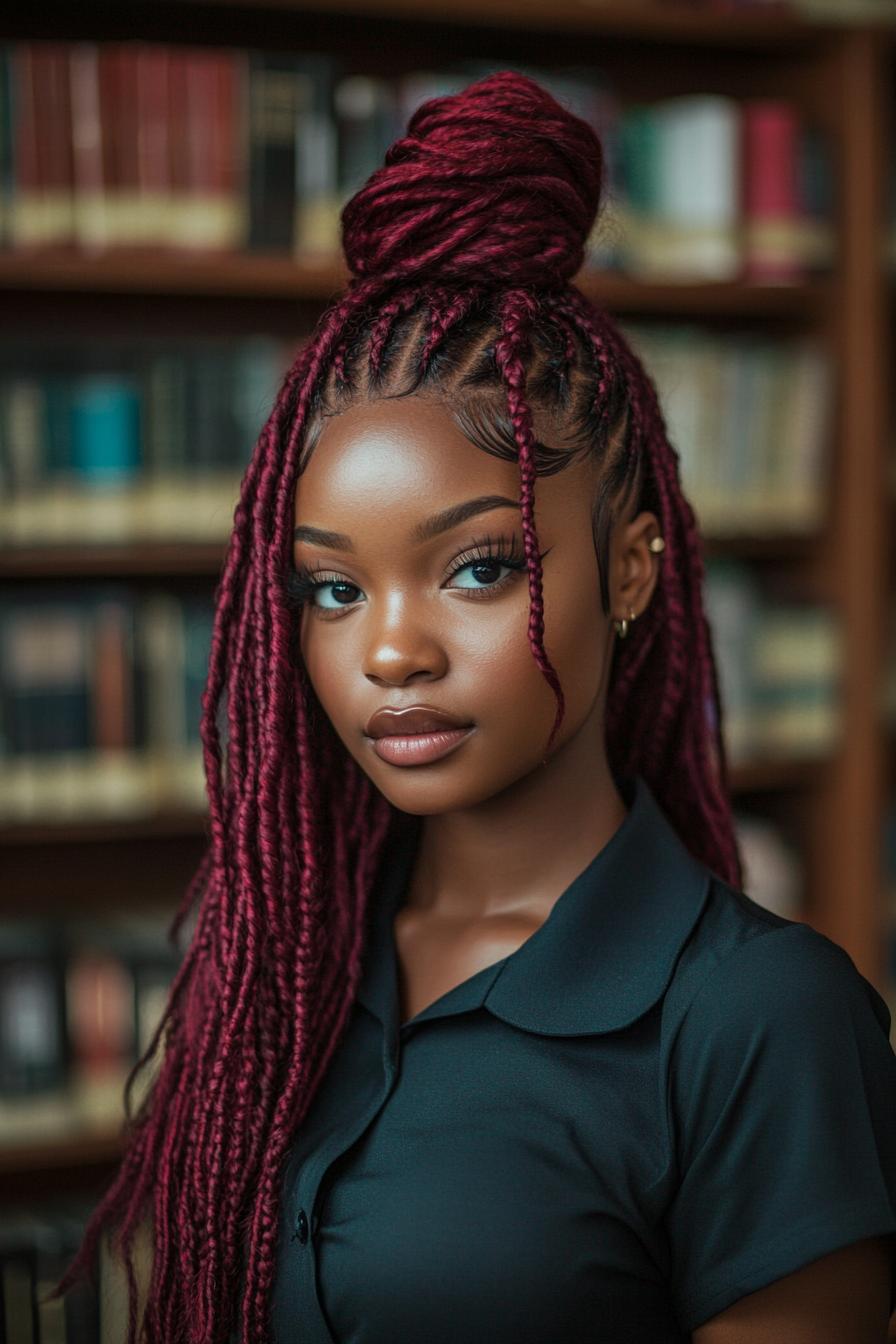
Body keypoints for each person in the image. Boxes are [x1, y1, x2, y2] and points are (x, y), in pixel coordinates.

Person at [50, 70, 896, 1343]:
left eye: (478, 567)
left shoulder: (760, 1019)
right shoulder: (288, 962)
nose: (390, 651)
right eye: (332, 587)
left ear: (627, 568)